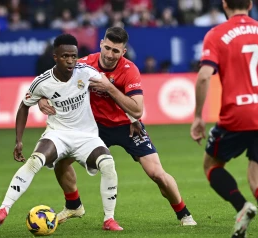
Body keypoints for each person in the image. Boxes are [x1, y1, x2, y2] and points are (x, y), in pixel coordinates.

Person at [38, 27, 197, 226]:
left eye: (116, 51)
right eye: (107, 48)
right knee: (60, 161)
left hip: (128, 126)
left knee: (157, 173)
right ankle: (74, 205)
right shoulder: (85, 64)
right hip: (94, 128)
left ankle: (184, 214)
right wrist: (42, 97)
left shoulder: (129, 70)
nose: (110, 54)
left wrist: (109, 87)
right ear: (101, 44)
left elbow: (137, 110)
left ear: (123, 52)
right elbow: (53, 78)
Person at [190, 0, 258, 237]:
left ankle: (242, 207)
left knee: (211, 165)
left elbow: (203, 77)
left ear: (224, 4)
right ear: (250, 4)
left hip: (238, 113)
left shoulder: (217, 34)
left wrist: (198, 117)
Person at [0, 34, 123, 231]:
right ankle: (3, 210)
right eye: (65, 56)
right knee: (35, 160)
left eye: (74, 56)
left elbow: (111, 87)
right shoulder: (42, 82)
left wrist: (133, 117)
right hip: (58, 134)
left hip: (87, 136)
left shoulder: (85, 72)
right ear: (55, 57)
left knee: (108, 164)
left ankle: (109, 219)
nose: (70, 60)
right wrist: (19, 140)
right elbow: (24, 106)